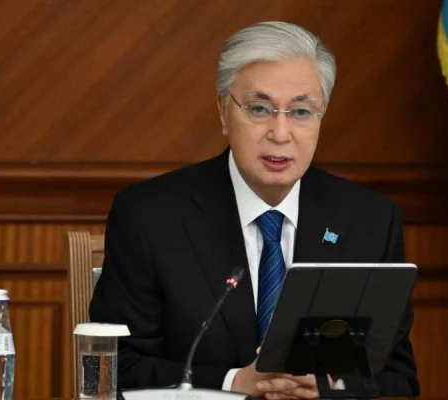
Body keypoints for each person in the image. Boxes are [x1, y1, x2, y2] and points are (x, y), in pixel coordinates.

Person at [89, 21, 419, 399]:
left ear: (321, 115)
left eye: (301, 112)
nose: (280, 133)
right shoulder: (149, 217)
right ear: (223, 111)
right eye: (260, 109)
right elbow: (115, 369)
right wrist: (234, 382)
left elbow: (399, 379)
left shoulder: (370, 221)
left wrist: (331, 388)